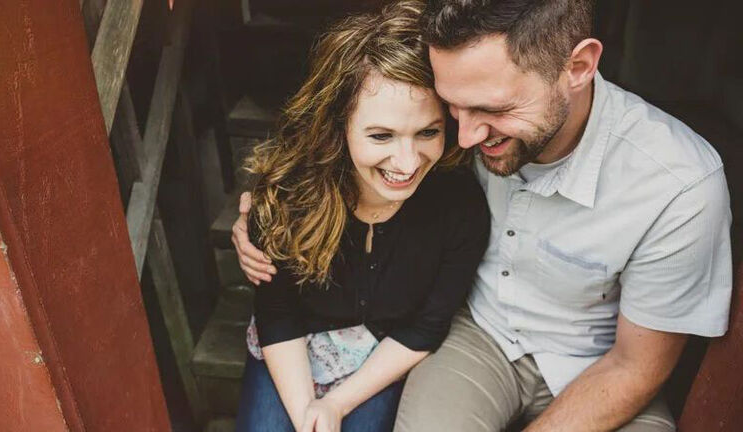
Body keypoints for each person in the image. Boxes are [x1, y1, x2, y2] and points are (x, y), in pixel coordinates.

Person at [234, 0, 734, 431]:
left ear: (578, 67)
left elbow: (635, 367)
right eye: (452, 109)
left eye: (491, 110)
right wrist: (263, 211)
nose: (466, 139)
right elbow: (355, 128)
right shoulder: (450, 127)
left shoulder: (679, 184)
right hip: (479, 336)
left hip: (601, 365)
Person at [233, 2, 490, 431]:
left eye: (428, 132)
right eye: (381, 135)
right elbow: (278, 316)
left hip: (383, 355)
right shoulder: (286, 197)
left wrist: (335, 405)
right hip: (292, 349)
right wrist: (307, 416)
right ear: (340, 126)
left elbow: (424, 327)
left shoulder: (459, 207)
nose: (407, 162)